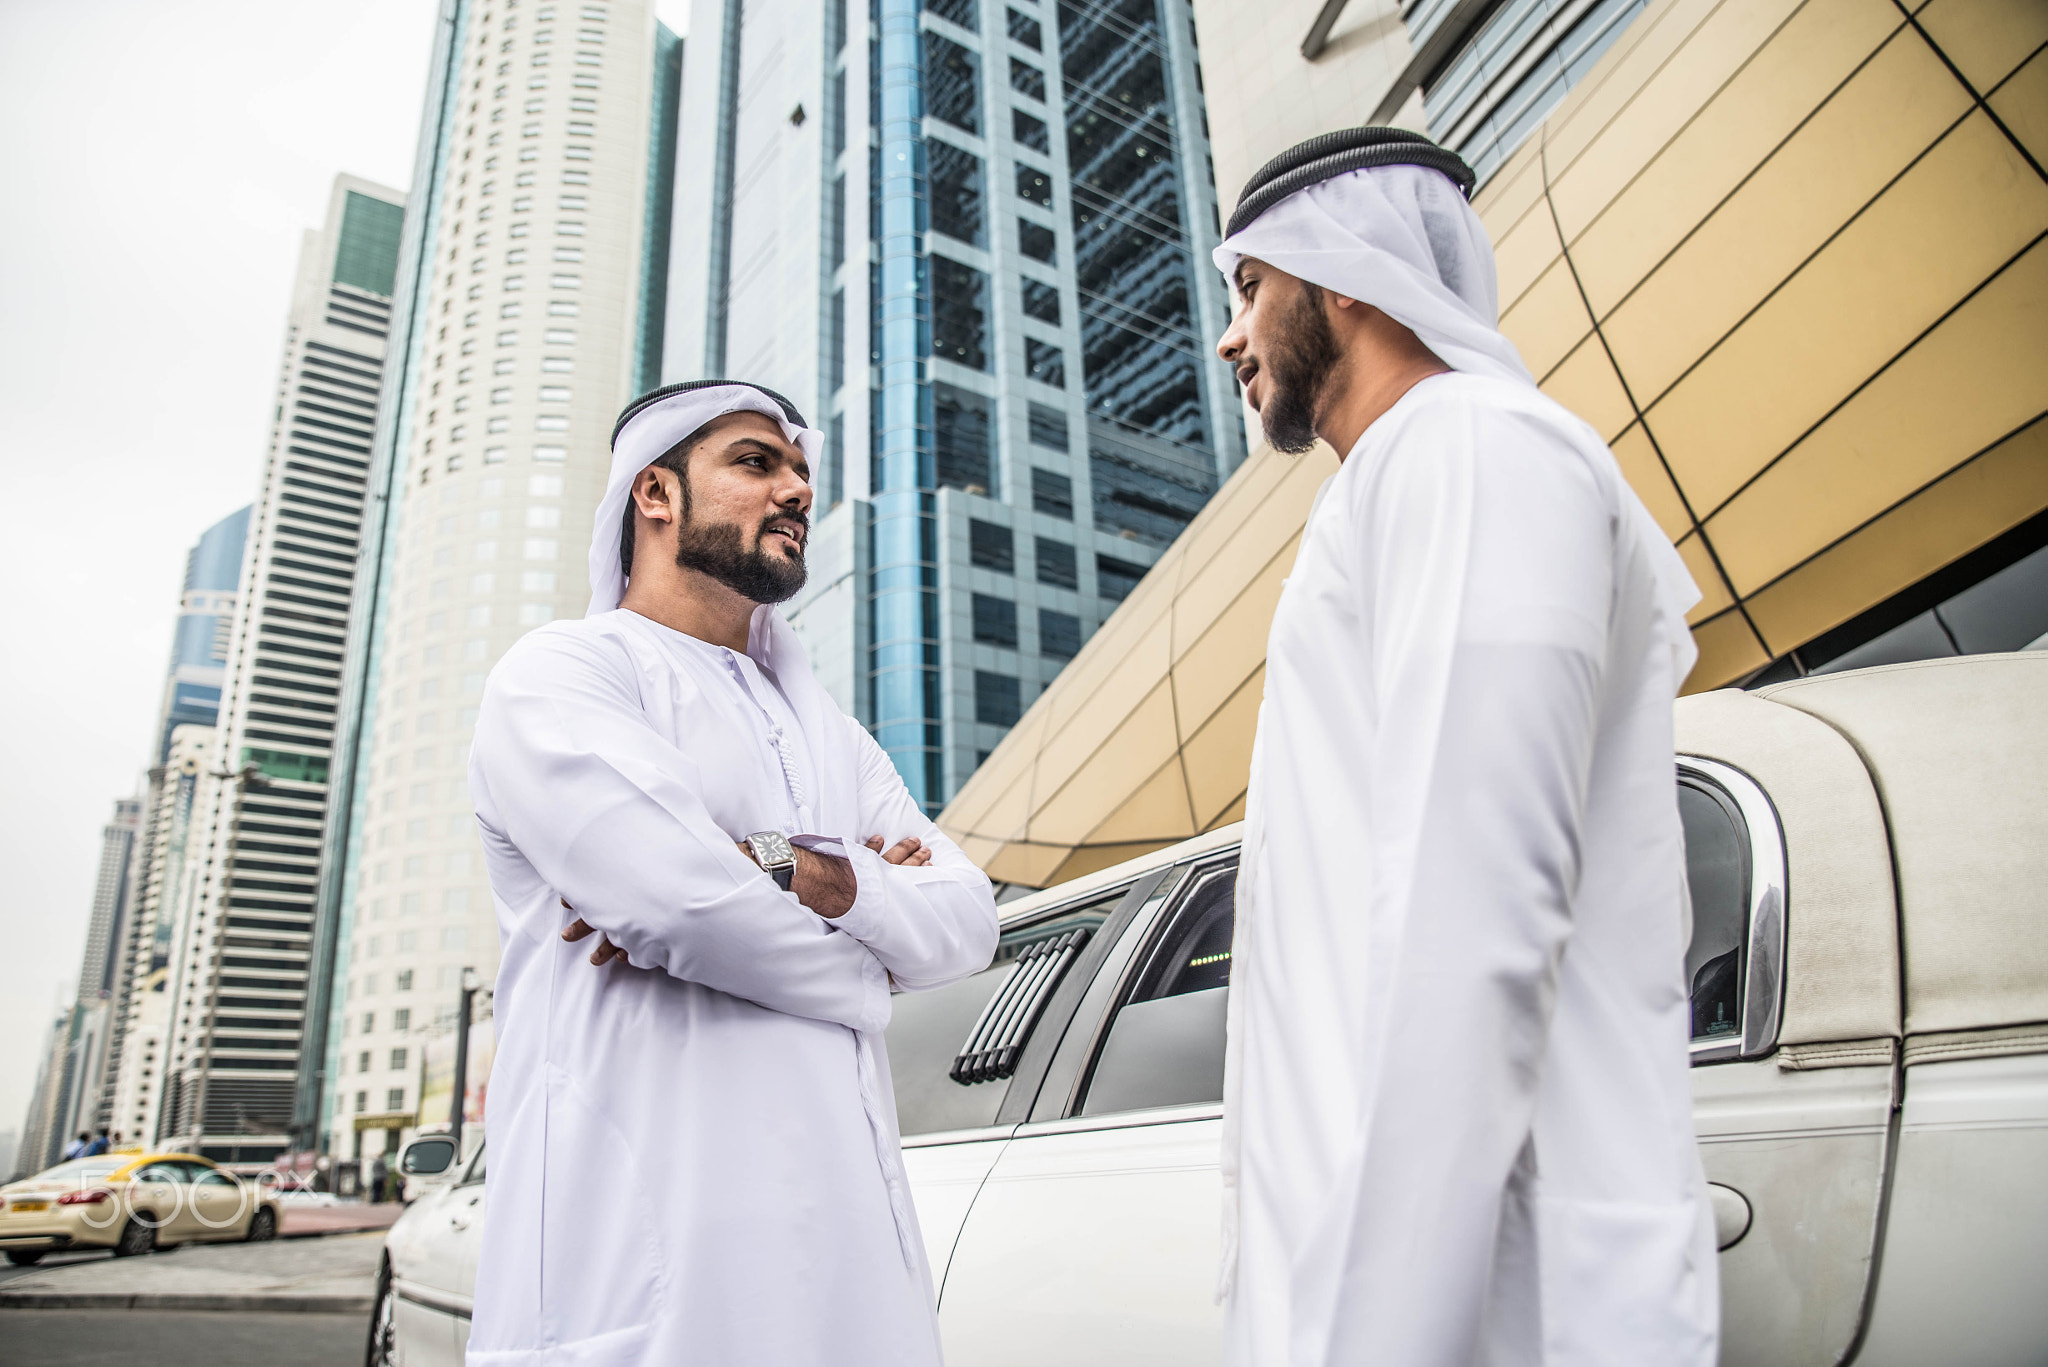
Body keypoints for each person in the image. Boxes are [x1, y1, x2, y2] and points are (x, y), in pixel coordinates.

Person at [1211, 128, 1719, 1365]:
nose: (1230, 337)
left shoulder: (1472, 448)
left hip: (1489, 1302)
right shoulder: (1400, 478)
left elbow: (1471, 909)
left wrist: (1379, 1334)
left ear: (1341, 276)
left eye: (1250, 287)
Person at [466, 381, 999, 1366]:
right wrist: (875, 960)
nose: (796, 489)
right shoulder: (563, 674)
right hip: (648, 1280)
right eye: (756, 462)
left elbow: (969, 921)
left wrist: (799, 868)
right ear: (655, 493)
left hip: (851, 1280)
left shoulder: (831, 733)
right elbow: (686, 906)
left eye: (800, 470)